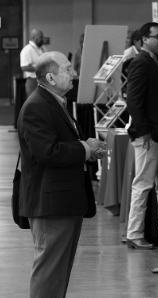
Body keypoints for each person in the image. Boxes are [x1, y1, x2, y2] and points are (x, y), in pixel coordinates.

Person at [17, 51, 107, 298]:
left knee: (59, 272)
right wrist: (84, 149)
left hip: (64, 201)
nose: (74, 73)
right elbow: (48, 152)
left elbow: (58, 142)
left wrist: (84, 145)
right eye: (67, 69)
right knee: (49, 272)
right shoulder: (36, 107)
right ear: (51, 77)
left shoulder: (54, 102)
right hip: (51, 205)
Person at [126, 22, 158, 250]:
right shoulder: (141, 62)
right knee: (143, 184)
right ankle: (134, 233)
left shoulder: (157, 62)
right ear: (144, 39)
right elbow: (134, 102)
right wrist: (145, 132)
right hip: (150, 135)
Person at [20, 29, 47, 98]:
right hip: (33, 81)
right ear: (34, 37)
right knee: (34, 102)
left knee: (44, 102)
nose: (42, 39)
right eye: (41, 37)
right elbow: (24, 67)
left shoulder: (43, 49)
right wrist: (40, 68)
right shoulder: (27, 50)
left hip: (44, 80)